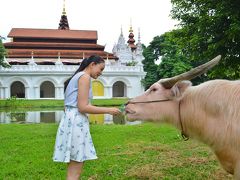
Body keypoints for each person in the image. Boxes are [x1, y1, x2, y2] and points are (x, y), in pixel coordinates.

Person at [53, 55, 121, 180]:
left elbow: (69, 106)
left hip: (70, 121)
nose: (101, 73)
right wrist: (109, 110)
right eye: (101, 69)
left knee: (73, 166)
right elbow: (83, 107)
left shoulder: (76, 77)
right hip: (76, 123)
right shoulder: (84, 77)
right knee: (75, 170)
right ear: (92, 64)